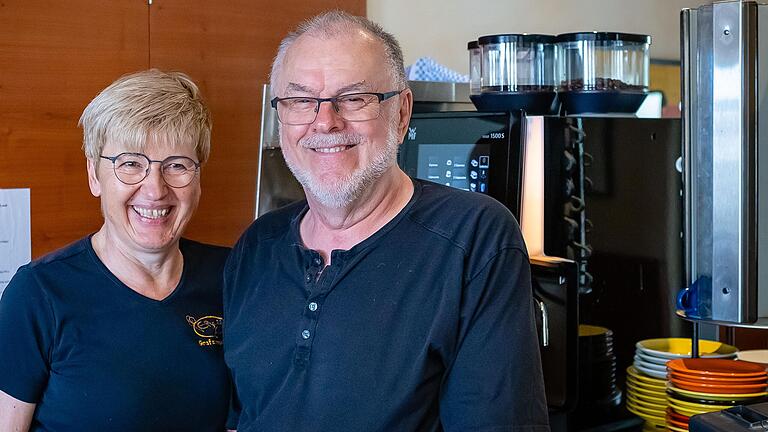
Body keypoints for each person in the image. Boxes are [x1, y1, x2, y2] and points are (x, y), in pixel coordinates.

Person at [223, 11, 549, 432]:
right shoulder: (255, 248)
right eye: (301, 100)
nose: (325, 121)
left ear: (401, 113)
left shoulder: (475, 238)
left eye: (355, 98)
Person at [0, 70, 231, 431]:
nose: (155, 189)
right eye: (130, 164)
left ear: (198, 177)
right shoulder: (38, 294)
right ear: (95, 175)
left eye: (176, 165)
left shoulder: (233, 278)